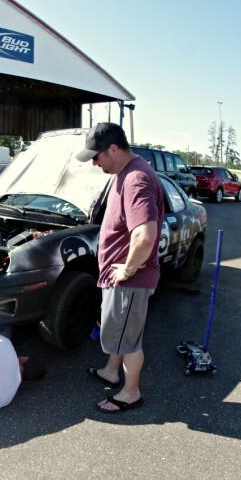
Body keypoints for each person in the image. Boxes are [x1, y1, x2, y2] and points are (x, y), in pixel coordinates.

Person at [75, 122, 164, 414]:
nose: (94, 162)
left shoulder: (136, 179)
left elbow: (145, 235)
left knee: (128, 340)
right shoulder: (123, 173)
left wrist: (127, 270)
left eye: (96, 156)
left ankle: (130, 392)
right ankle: (112, 372)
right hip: (121, 278)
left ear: (113, 148)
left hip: (129, 281)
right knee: (119, 332)